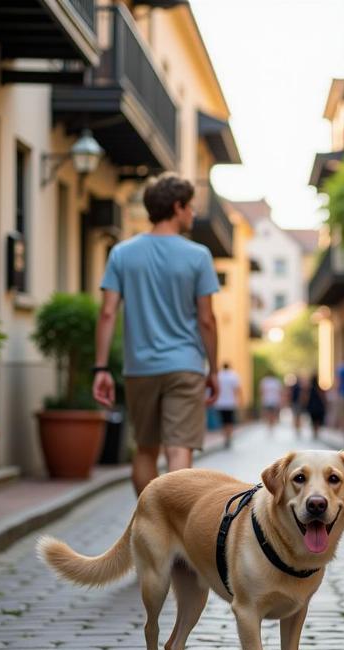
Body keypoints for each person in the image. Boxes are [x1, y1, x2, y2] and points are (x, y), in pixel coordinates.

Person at [93, 173, 219, 496]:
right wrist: (214, 369)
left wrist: (101, 368)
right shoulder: (198, 256)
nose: (192, 213)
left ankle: (152, 526)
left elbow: (107, 313)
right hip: (186, 366)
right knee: (179, 450)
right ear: (177, 207)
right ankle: (176, 534)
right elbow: (206, 320)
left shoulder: (122, 253)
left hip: (140, 367)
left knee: (145, 450)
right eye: (190, 207)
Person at [215, 362, 242, 448]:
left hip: (220, 403)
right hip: (230, 403)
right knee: (230, 421)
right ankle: (229, 437)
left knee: (223, 421)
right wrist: (239, 400)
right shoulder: (233, 376)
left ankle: (225, 438)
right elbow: (237, 389)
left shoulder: (218, 376)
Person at [304, 374, 326, 440]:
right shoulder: (319, 388)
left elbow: (306, 397)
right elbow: (323, 397)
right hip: (318, 406)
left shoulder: (309, 389)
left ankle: (315, 432)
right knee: (317, 420)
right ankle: (316, 432)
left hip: (312, 407)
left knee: (314, 420)